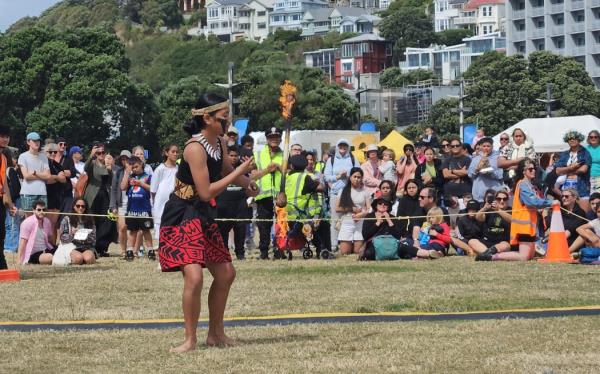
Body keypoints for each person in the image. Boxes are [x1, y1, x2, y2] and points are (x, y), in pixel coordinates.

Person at [158, 93, 257, 353]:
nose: (228, 122)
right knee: (194, 276)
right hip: (181, 214)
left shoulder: (219, 143)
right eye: (224, 117)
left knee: (226, 274)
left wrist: (248, 183)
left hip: (202, 215)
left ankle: (216, 334)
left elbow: (224, 172)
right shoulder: (194, 148)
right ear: (207, 118)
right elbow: (206, 192)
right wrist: (239, 172)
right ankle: (190, 339)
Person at [479, 158, 553, 261]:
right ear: (523, 171)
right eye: (530, 169)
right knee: (524, 256)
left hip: (529, 226)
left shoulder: (530, 185)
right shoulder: (522, 184)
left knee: (530, 256)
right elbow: (532, 202)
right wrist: (551, 203)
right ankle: (491, 256)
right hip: (523, 226)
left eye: (534, 168)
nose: (533, 171)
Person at [323, 139, 360, 252]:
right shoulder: (331, 160)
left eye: (345, 146)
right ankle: (334, 244)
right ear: (337, 147)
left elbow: (359, 172)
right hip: (335, 193)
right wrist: (338, 177)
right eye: (340, 146)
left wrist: (348, 176)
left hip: (351, 192)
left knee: (351, 218)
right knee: (335, 219)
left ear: (348, 147)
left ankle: (350, 243)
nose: (342, 148)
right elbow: (326, 177)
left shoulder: (353, 159)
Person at [252, 127, 283, 260]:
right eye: (271, 137)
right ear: (267, 139)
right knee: (263, 225)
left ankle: (280, 249)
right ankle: (264, 251)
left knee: (281, 224)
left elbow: (289, 173)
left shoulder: (285, 154)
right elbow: (253, 176)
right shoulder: (258, 154)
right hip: (263, 195)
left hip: (281, 195)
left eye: (277, 136)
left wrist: (279, 167)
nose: (274, 139)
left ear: (281, 138)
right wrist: (267, 170)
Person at [217, 146, 252, 260]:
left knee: (240, 229)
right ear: (226, 156)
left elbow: (249, 183)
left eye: (235, 156)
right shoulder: (220, 169)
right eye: (231, 155)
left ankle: (240, 253)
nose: (233, 158)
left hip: (240, 204)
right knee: (223, 230)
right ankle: (224, 253)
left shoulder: (243, 169)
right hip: (224, 204)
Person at [83, 142, 114, 257]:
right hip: (92, 196)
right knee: (91, 222)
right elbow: (85, 168)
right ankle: (90, 247)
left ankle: (101, 248)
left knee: (105, 222)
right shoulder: (92, 164)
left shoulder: (108, 164)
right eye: (98, 152)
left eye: (103, 152)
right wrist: (91, 156)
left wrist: (110, 169)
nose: (101, 154)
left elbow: (111, 181)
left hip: (105, 196)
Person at [121, 156, 154, 261]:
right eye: (132, 167)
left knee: (146, 230)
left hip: (144, 208)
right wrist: (127, 173)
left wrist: (141, 184)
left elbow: (152, 189)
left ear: (141, 165)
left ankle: (150, 251)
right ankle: (130, 251)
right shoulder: (130, 177)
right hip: (132, 209)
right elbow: (122, 187)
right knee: (132, 231)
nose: (134, 169)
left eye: (136, 166)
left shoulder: (148, 176)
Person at [555, 130, 592, 212]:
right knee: (569, 212)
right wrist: (572, 168)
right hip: (566, 186)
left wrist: (567, 170)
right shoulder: (564, 154)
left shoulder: (585, 152)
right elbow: (557, 170)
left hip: (581, 186)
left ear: (579, 140)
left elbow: (583, 169)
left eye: (574, 138)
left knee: (583, 213)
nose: (572, 140)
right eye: (569, 139)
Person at [336, 167, 369, 255]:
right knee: (345, 252)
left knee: (358, 251)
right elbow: (338, 208)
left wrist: (361, 215)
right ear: (350, 177)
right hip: (347, 221)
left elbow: (369, 209)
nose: (357, 179)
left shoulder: (365, 192)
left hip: (360, 222)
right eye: (355, 177)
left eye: (359, 177)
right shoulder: (343, 191)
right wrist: (352, 209)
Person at [470, 190, 512, 257]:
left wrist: (498, 210)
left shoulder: (511, 210)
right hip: (487, 241)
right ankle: (488, 253)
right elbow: (478, 217)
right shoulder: (490, 210)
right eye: (499, 199)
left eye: (504, 199)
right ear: (495, 200)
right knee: (472, 241)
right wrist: (484, 208)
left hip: (502, 242)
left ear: (507, 200)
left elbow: (512, 220)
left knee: (506, 246)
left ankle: (486, 253)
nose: (502, 201)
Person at [151, 144, 179, 241]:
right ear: (167, 153)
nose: (175, 154)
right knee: (160, 230)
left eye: (177, 152)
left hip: (173, 203)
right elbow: (153, 190)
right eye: (173, 152)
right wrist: (155, 203)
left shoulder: (178, 169)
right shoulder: (160, 169)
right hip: (160, 204)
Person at [18, 132, 50, 212]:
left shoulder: (43, 156)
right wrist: (42, 175)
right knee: (28, 220)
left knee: (41, 219)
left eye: (38, 141)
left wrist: (35, 173)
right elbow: (26, 176)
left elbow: (48, 176)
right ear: (28, 142)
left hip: (42, 192)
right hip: (28, 192)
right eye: (34, 141)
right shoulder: (23, 156)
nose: (37, 143)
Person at [58, 198, 96, 265]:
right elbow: (62, 238)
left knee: (89, 259)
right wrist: (72, 235)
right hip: (71, 246)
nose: (80, 208)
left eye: (83, 206)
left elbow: (93, 240)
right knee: (78, 259)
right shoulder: (66, 219)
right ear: (74, 206)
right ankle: (76, 258)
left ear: (86, 208)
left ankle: (83, 257)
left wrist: (84, 235)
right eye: (78, 206)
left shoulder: (90, 221)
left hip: (86, 247)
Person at [17, 200, 54, 265]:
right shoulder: (27, 222)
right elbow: (23, 242)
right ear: (34, 210)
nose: (42, 212)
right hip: (33, 253)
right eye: (39, 210)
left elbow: (50, 238)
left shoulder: (47, 221)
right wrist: (19, 260)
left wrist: (54, 248)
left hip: (46, 249)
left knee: (61, 251)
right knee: (50, 258)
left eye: (44, 210)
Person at [0, 126, 17, 269]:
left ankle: (1, 265)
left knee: (1, 233)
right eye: (2, 136)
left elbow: (4, 184)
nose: (5, 139)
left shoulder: (4, 158)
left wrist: (10, 204)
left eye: (7, 136)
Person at [109, 150, 131, 258]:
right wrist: (113, 206)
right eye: (122, 159)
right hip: (121, 203)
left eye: (126, 158)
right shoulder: (118, 172)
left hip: (133, 203)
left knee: (133, 228)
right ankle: (123, 250)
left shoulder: (135, 170)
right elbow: (113, 190)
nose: (124, 161)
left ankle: (133, 250)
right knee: (122, 228)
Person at [468, 137, 503, 203]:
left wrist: (490, 172)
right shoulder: (475, 159)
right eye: (484, 146)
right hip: (480, 196)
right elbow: (470, 175)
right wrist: (477, 169)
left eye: (488, 146)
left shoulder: (498, 157)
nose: (486, 148)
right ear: (480, 147)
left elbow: (500, 175)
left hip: (495, 193)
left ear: (492, 147)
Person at [44, 143, 67, 240]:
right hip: (47, 195)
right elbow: (47, 180)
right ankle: (45, 246)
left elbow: (64, 179)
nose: (53, 153)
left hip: (57, 196)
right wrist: (57, 177)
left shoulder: (57, 165)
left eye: (55, 151)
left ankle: (52, 246)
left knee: (53, 224)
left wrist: (54, 178)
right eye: (50, 151)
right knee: (46, 224)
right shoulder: (44, 164)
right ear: (45, 152)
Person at [587, 130, 600, 194]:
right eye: (591, 137)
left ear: (599, 138)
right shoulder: (585, 149)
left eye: (595, 137)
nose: (593, 138)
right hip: (587, 177)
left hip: (599, 176)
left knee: (597, 196)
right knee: (589, 196)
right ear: (588, 138)